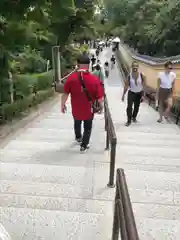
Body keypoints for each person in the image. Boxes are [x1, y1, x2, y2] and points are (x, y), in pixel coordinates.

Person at [61, 54, 104, 152]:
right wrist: (101, 107)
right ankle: (84, 145)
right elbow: (99, 97)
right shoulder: (94, 79)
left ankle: (78, 137)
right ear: (88, 65)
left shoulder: (71, 78)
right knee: (88, 127)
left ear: (77, 64)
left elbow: (65, 93)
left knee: (77, 122)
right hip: (89, 109)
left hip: (76, 109)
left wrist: (62, 105)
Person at [122, 61, 146, 126]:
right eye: (133, 66)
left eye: (136, 66)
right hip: (131, 92)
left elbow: (144, 85)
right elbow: (126, 85)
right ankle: (128, 120)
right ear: (131, 67)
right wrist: (123, 94)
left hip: (139, 93)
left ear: (138, 67)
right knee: (129, 106)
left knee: (136, 106)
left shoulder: (142, 75)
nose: (135, 67)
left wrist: (143, 95)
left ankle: (134, 117)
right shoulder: (129, 76)